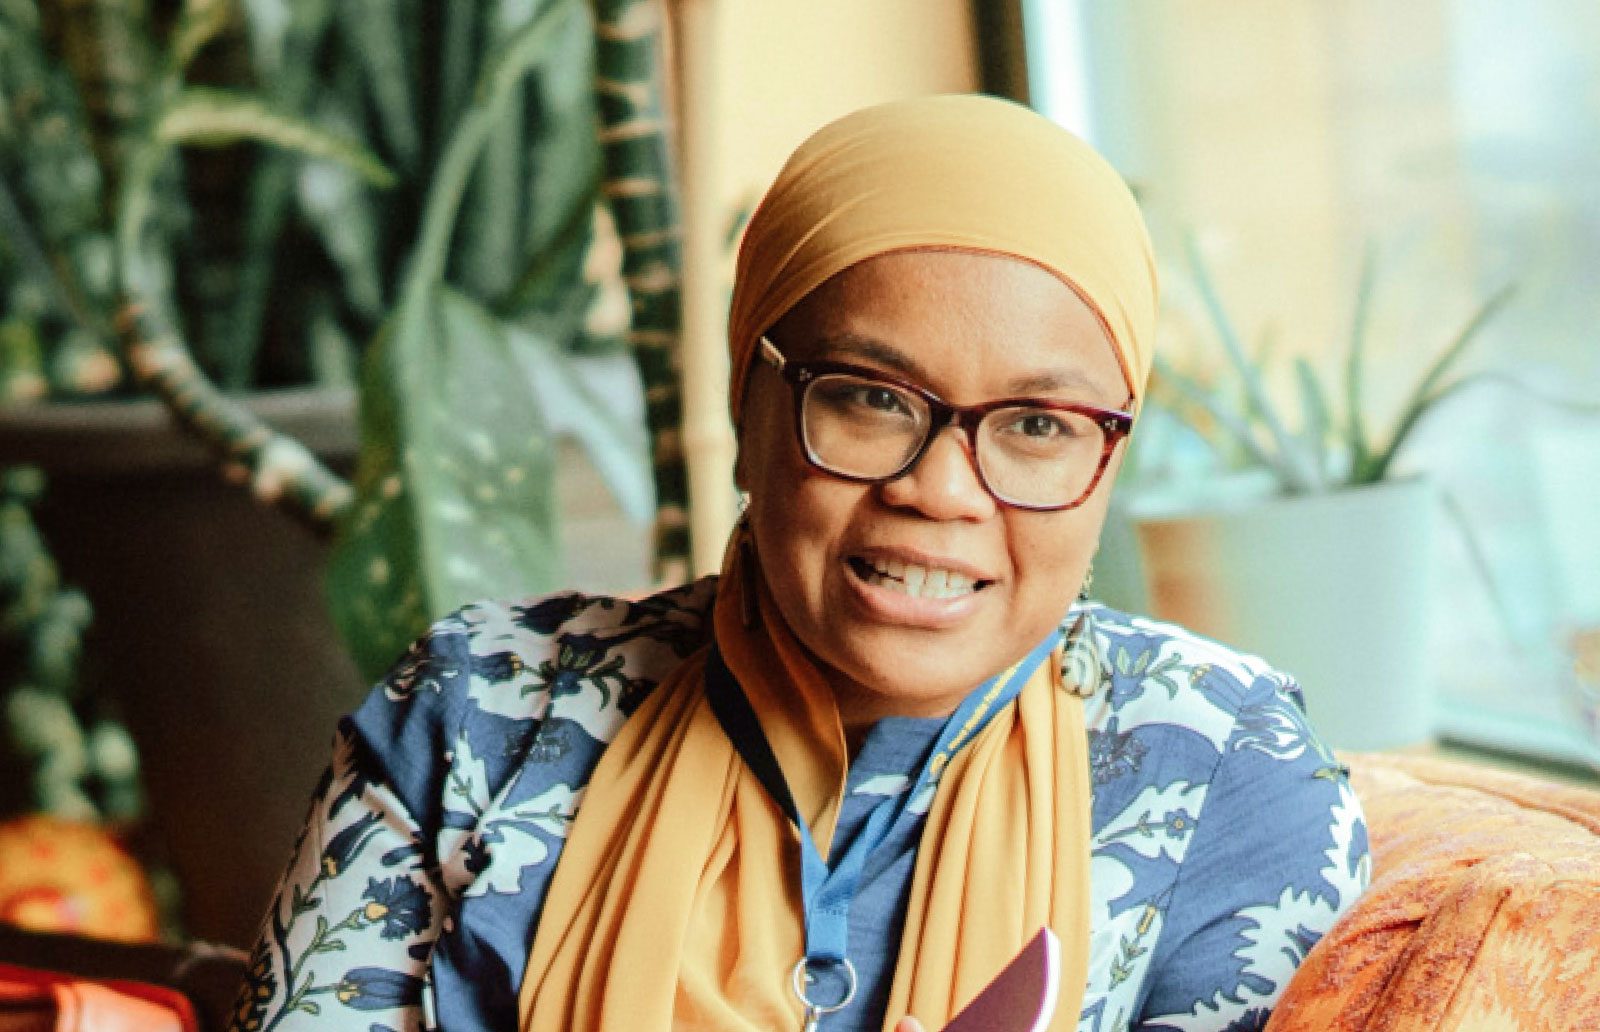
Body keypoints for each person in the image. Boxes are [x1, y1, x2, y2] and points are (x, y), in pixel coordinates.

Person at [230, 95, 1368, 1032]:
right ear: (748, 404)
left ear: (1110, 453)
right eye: (870, 398)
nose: (940, 487)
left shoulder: (1222, 764)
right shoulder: (477, 716)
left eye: (1035, 424)